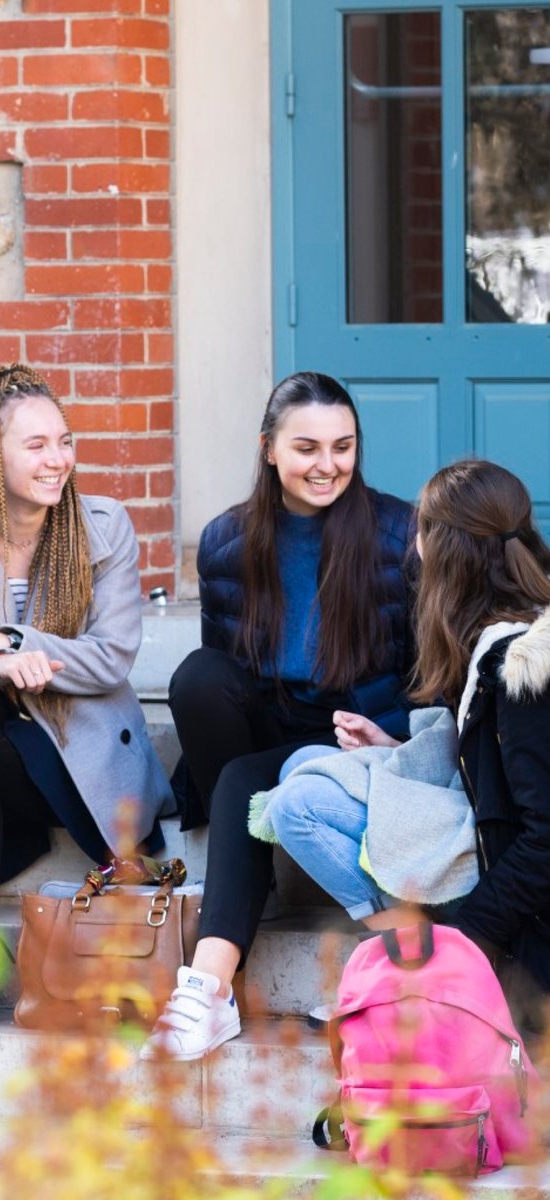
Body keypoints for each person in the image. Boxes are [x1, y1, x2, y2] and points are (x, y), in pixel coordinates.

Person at [142, 371, 415, 1061]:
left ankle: (208, 985)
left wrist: (393, 735)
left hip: (352, 735)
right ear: (269, 450)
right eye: (307, 448)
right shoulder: (228, 540)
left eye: (343, 447)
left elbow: (424, 667)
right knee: (199, 682)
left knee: (239, 781)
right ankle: (232, 926)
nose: (328, 465)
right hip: (269, 726)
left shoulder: (397, 533)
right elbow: (223, 670)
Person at [0, 363, 172, 1027]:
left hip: (79, 759)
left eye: (65, 441)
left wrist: (0, 642)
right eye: (37, 446)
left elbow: (111, 658)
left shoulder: (103, 527)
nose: (59, 460)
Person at [266, 459, 550, 1035]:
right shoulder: (498, 632)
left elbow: (544, 835)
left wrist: (469, 942)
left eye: (422, 531)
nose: (413, 546)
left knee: (295, 806)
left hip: (507, 901)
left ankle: (416, 966)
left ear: (444, 551)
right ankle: (411, 957)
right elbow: (490, 770)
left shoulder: (521, 666)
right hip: (477, 836)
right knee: (304, 765)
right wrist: (392, 743)